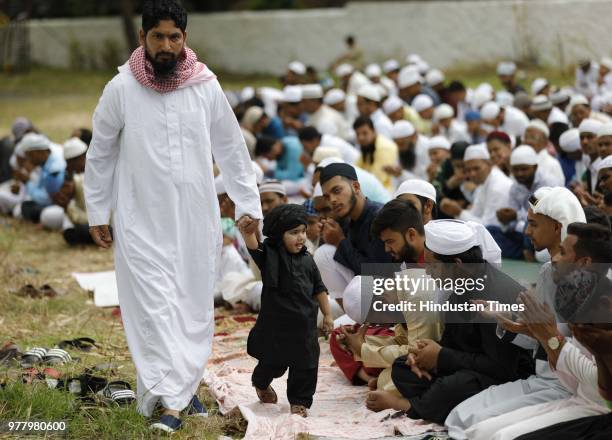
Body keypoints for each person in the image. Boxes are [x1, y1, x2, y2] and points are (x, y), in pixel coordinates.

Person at [84, 1, 262, 431]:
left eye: (174, 37)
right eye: (158, 36)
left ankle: (175, 390)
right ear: (142, 37)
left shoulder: (205, 86)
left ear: (185, 39)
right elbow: (101, 152)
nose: (167, 45)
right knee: (153, 307)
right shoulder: (121, 88)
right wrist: (96, 211)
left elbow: (232, 149)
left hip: (194, 219)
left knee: (190, 306)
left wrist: (248, 204)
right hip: (138, 218)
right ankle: (173, 406)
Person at [445, 187, 588, 439]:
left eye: (533, 224)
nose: (527, 231)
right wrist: (506, 321)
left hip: (570, 385)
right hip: (543, 377)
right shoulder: (546, 272)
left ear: (557, 227)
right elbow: (540, 338)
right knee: (459, 416)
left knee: (479, 429)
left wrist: (541, 333)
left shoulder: (588, 284)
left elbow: (561, 344)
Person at [365, 219, 533, 422]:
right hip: (470, 366)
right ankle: (435, 402)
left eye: (433, 266)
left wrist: (442, 356)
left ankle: (411, 406)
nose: (427, 272)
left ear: (457, 264)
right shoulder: (456, 289)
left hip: (505, 377)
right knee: (403, 367)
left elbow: (501, 368)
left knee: (455, 385)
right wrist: (423, 355)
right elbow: (452, 344)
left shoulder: (493, 294)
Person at [465, 222, 612, 440]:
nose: (554, 258)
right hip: (572, 392)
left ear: (584, 262)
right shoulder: (569, 289)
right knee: (478, 430)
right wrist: (525, 327)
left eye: (563, 252)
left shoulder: (602, 304)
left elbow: (599, 383)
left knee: (500, 436)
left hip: (598, 409)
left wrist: (551, 339)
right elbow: (559, 347)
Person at [239, 204, 333, 418]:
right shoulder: (270, 255)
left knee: (306, 366)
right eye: (293, 233)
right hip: (277, 326)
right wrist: (248, 232)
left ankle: (299, 401)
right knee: (272, 362)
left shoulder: (309, 260)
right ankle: (261, 383)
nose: (300, 237)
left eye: (303, 231)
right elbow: (254, 247)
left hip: (304, 326)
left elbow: (319, 289)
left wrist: (327, 315)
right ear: (279, 235)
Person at [314, 163, 392, 303]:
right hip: (363, 297)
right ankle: (353, 317)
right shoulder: (347, 219)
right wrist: (327, 236)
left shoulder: (379, 217)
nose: (332, 200)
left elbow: (379, 275)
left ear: (356, 187)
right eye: (327, 196)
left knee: (324, 254)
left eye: (336, 191)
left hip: (391, 300)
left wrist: (339, 242)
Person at [489, 145, 559, 259]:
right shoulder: (515, 187)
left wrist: (516, 216)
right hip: (527, 232)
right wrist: (505, 220)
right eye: (516, 170)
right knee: (491, 231)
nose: (520, 173)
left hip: (549, 229)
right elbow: (511, 225)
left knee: (530, 223)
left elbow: (545, 214)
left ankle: (526, 251)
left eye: (524, 169)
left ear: (535, 167)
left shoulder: (548, 182)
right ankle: (524, 252)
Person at [439, 144, 512, 227]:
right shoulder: (483, 183)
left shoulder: (498, 186)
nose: (472, 174)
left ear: (489, 164)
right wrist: (457, 211)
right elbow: (475, 214)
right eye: (468, 170)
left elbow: (490, 228)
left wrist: (459, 212)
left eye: (476, 168)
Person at [16, 133, 66, 226]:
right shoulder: (47, 163)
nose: (29, 160)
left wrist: (27, 182)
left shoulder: (54, 169)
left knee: (27, 208)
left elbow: (46, 199)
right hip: (53, 204)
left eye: (30, 156)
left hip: (59, 207)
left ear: (39, 152)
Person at [353, 116, 398, 190]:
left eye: (365, 133)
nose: (361, 138)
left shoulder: (384, 147)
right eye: (358, 134)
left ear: (374, 131)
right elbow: (356, 170)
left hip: (388, 192)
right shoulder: (368, 146)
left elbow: (378, 179)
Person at [522, 119, 566, 187]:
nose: (527, 141)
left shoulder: (552, 164)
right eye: (525, 137)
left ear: (545, 142)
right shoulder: (521, 159)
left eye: (532, 137)